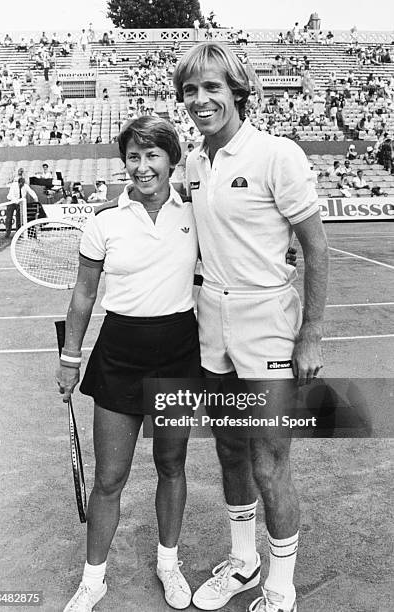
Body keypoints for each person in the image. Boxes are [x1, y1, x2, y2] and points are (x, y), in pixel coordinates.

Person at [173, 42, 328, 612]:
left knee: (269, 461)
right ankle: (243, 563)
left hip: (267, 321)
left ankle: (281, 589)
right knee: (230, 452)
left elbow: (315, 246)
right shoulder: (193, 162)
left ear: (238, 91)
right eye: (191, 90)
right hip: (211, 320)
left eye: (212, 87)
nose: (200, 99)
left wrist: (310, 331)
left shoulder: (276, 154)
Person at [57, 116, 201, 612]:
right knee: (109, 478)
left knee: (171, 464)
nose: (142, 168)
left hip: (180, 350)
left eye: (153, 155)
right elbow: (82, 296)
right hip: (119, 353)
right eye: (133, 157)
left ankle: (169, 563)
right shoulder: (104, 221)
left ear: (171, 160)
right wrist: (69, 359)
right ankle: (93, 579)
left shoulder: (195, 214)